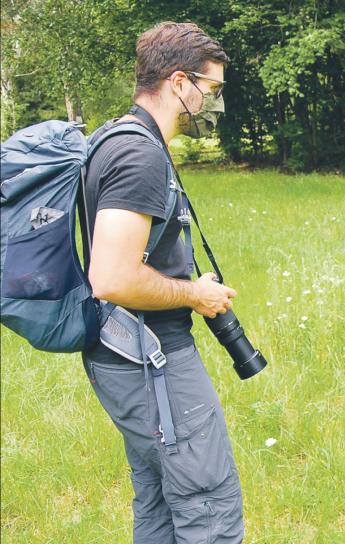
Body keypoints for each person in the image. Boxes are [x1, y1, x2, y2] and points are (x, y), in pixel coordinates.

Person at [82, 22, 243, 543]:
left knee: (158, 497)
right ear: (180, 82)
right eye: (211, 89)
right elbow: (111, 277)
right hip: (151, 357)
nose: (213, 103)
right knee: (207, 502)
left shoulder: (117, 136)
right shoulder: (138, 154)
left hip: (128, 353)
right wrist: (194, 294)